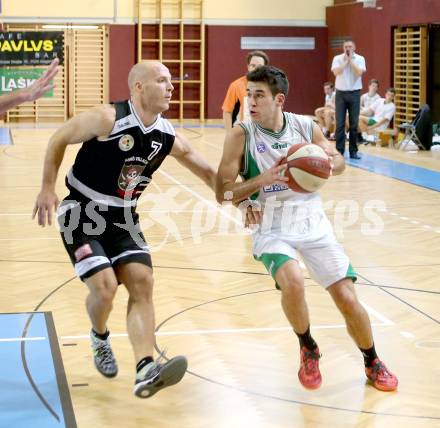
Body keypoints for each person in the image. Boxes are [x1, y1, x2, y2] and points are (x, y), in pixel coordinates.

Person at [32, 60, 216, 398]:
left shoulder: (166, 135)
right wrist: (47, 187)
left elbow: (209, 173)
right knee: (104, 289)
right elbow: (58, 138)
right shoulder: (108, 118)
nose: (171, 87)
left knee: (142, 281)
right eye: (162, 81)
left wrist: (248, 194)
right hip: (82, 210)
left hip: (122, 217)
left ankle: (146, 367)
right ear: (139, 87)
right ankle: (99, 335)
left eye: (171, 81)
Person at [216, 65, 398, 392]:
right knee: (293, 280)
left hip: (311, 219)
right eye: (249, 95)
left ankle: (372, 360)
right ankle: (308, 346)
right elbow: (223, 192)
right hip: (270, 223)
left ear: (279, 99)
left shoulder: (304, 126)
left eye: (259, 95)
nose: (251, 102)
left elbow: (339, 164)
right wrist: (258, 184)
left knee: (347, 297)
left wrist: (329, 158)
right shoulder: (240, 135)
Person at [331, 39, 366, 159]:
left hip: (355, 94)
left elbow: (359, 73)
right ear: (343, 47)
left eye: (350, 46)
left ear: (354, 47)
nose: (348, 48)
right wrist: (346, 61)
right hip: (340, 93)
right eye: (346, 46)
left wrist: (351, 60)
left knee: (354, 124)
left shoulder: (360, 59)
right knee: (340, 124)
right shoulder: (337, 58)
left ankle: (353, 151)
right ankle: (339, 151)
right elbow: (336, 72)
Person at [222, 50, 269, 131]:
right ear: (248, 66)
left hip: (265, 131)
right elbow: (227, 112)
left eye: (260, 66)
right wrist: (229, 134)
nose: (256, 69)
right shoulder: (236, 85)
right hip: (243, 131)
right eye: (253, 65)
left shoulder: (271, 86)